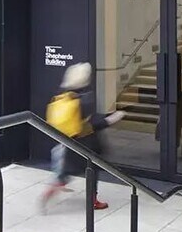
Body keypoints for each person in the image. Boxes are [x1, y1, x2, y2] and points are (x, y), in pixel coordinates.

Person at [41, 62, 125, 212]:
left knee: (66, 172)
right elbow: (92, 124)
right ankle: (93, 200)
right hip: (87, 144)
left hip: (71, 141)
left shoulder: (64, 95)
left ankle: (52, 189)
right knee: (92, 171)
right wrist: (111, 119)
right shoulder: (85, 98)